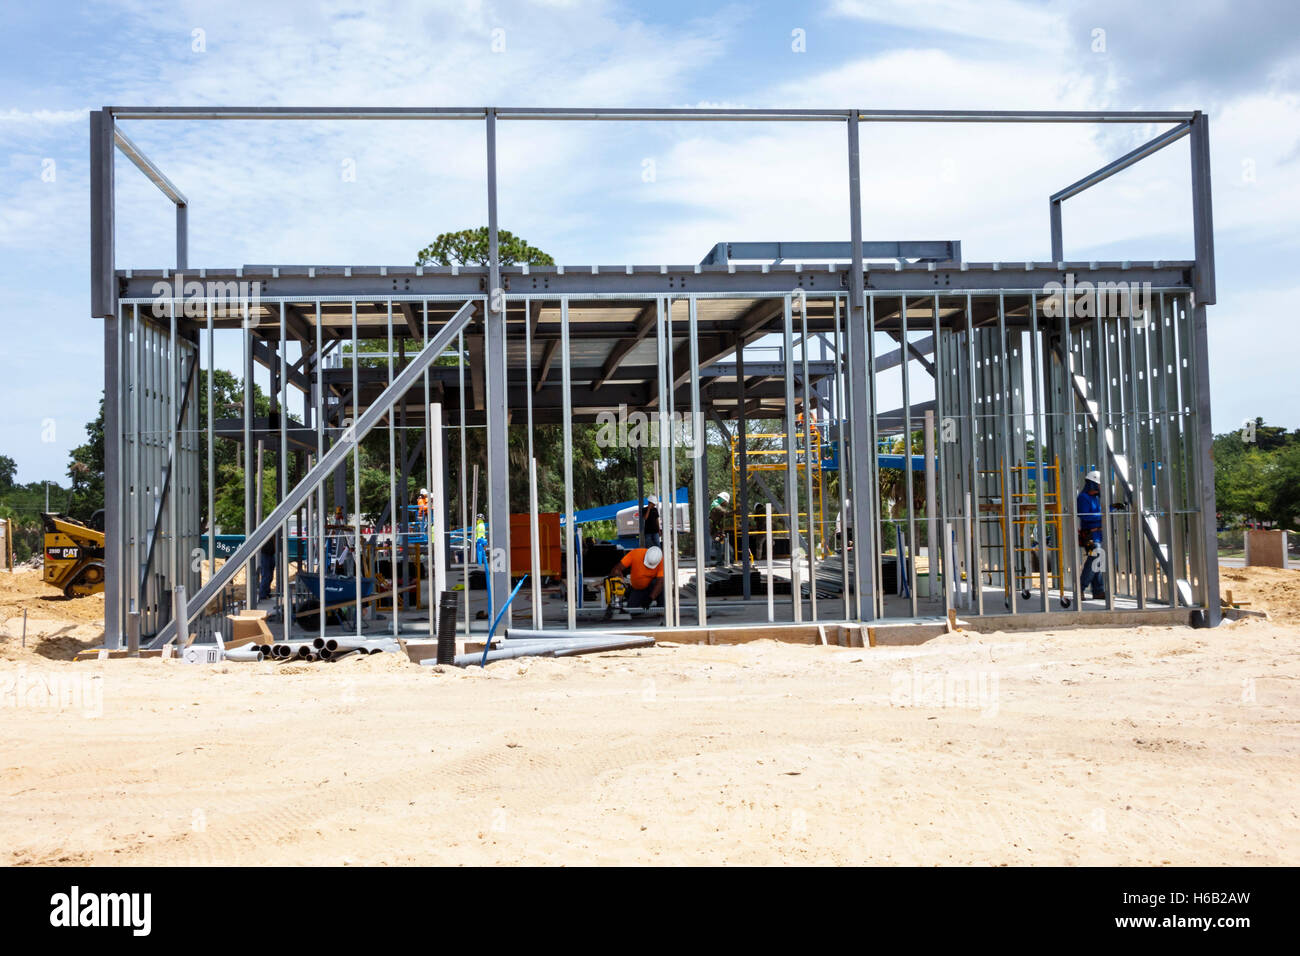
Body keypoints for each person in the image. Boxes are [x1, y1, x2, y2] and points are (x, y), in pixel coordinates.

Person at [1077, 470, 1106, 600]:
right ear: (1093, 484)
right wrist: (1103, 514)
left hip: (1097, 534)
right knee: (1096, 556)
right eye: (1099, 484)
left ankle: (1098, 590)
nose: (1101, 487)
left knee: (1098, 560)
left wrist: (1112, 508)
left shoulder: (1095, 498)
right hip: (1089, 535)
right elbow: (1085, 516)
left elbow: (1099, 514)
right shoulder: (1083, 498)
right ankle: (1080, 588)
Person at [614, 544, 665, 609]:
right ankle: (633, 594)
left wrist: (650, 598)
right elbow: (617, 569)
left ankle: (661, 607)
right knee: (632, 610)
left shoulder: (661, 560)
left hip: (652, 587)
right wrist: (621, 580)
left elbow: (660, 582)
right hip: (638, 588)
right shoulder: (635, 553)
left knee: (660, 584)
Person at [709, 491, 731, 566]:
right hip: (716, 531)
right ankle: (723, 562)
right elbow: (726, 513)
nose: (726, 504)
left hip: (717, 530)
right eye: (725, 502)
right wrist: (737, 511)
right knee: (719, 544)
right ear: (722, 500)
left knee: (721, 544)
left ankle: (723, 561)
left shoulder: (715, 504)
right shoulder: (716, 506)